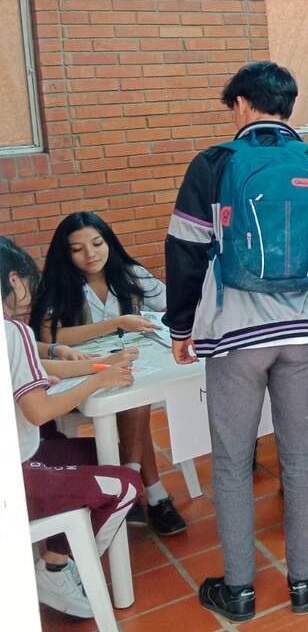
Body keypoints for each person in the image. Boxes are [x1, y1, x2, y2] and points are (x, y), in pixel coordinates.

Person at [165, 61, 308, 624]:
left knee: (232, 461)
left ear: (240, 105)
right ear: (288, 106)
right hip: (304, 331)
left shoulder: (214, 164)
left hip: (234, 335)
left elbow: (185, 250)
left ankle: (239, 591)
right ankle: (303, 582)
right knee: (302, 454)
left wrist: (180, 327)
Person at [3, 236, 141, 620]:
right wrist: (99, 380)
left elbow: (47, 363)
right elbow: (39, 411)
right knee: (127, 483)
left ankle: (56, 555)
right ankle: (58, 568)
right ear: (14, 281)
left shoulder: (14, 333)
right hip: (15, 477)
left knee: (96, 457)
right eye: (28, 281)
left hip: (22, 460)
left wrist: (101, 366)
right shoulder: (10, 331)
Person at [29, 211, 186, 537]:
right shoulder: (59, 286)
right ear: (65, 253)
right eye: (78, 248)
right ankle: (148, 492)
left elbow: (175, 303)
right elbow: (50, 339)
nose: (91, 255)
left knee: (132, 392)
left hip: (126, 371)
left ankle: (134, 488)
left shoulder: (130, 274)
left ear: (110, 243)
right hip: (74, 380)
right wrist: (116, 323)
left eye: (98, 243)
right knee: (133, 395)